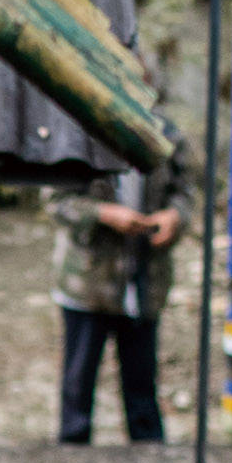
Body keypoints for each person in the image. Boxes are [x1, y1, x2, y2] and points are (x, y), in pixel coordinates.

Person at [49, 178, 183, 443]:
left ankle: (149, 458)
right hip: (87, 283)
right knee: (78, 385)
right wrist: (104, 214)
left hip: (145, 280)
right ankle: (72, 459)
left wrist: (174, 216)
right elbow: (56, 201)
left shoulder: (168, 136)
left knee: (142, 384)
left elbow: (183, 191)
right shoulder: (80, 136)